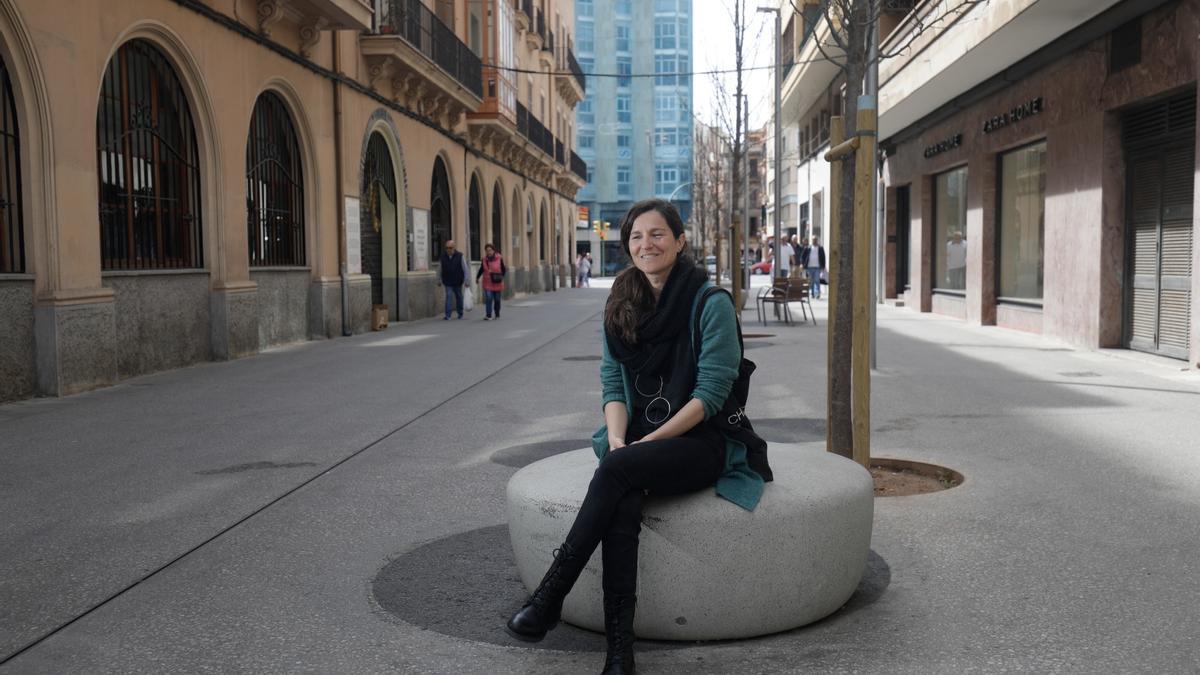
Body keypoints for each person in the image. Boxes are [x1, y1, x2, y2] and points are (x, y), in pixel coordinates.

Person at [505, 198, 767, 674]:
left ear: (680, 240)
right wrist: (620, 440)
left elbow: (709, 395)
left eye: (657, 234)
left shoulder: (711, 305)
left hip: (699, 443)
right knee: (621, 493)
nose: (647, 244)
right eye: (636, 237)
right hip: (638, 443)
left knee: (618, 472)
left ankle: (548, 598)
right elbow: (611, 386)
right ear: (628, 248)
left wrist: (642, 448)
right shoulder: (621, 305)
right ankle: (619, 655)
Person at [439, 239, 470, 320]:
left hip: (457, 280)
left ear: (454, 248)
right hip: (447, 280)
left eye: (450, 248)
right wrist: (439, 279)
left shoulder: (460, 256)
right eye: (447, 248)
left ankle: (460, 313)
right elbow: (440, 269)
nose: (448, 249)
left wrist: (467, 280)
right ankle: (448, 315)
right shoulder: (443, 256)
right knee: (448, 296)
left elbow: (465, 269)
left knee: (459, 297)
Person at [475, 243, 505, 320]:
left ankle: (497, 313)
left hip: (497, 282)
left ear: (493, 250)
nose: (489, 252)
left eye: (490, 250)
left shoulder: (499, 258)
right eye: (487, 251)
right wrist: (477, 277)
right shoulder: (484, 260)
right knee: (488, 298)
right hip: (488, 282)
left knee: (497, 299)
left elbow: (503, 268)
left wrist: (501, 277)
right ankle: (488, 315)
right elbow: (481, 269)